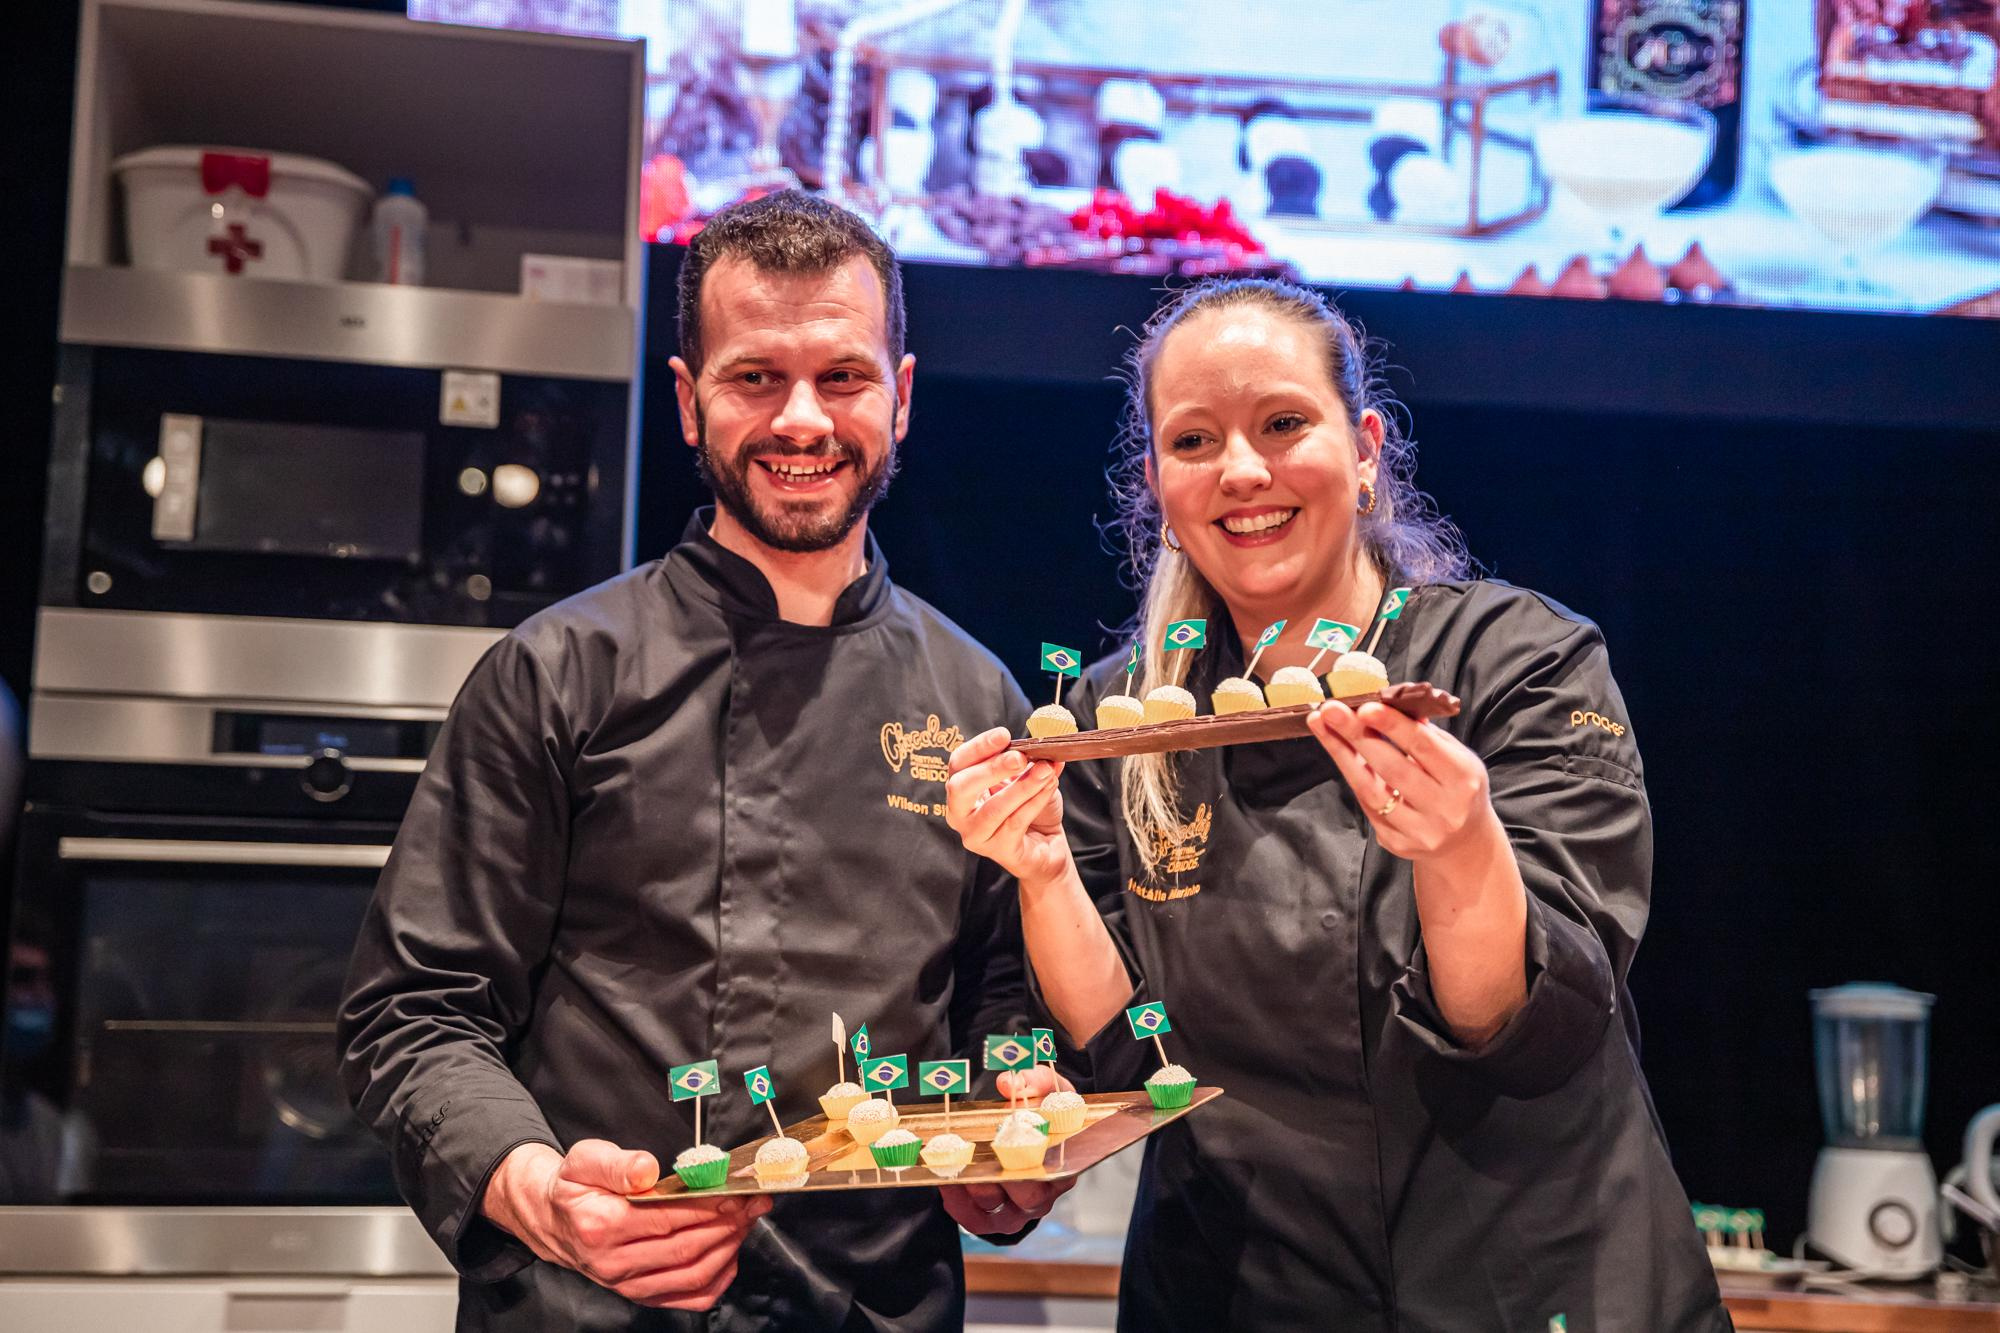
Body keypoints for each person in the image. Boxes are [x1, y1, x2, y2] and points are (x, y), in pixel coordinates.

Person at [338, 190, 1065, 1332]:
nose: (801, 420)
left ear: (902, 395)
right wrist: (537, 1192)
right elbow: (417, 1011)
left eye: (841, 377)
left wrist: (1007, 1130)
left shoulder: (976, 699)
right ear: (689, 402)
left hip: (872, 1308)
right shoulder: (556, 673)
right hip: (580, 1305)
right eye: (753, 378)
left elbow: (1001, 994)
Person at [955, 278, 1730, 1330]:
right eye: (1193, 441)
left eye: (1282, 423)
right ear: (1156, 484)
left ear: (1364, 448)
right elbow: (1130, 1055)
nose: (1240, 470)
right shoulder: (1114, 716)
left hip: (1525, 1284)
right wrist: (1043, 874)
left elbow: (1532, 1034)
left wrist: (1459, 849)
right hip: (1233, 1293)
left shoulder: (1517, 663)